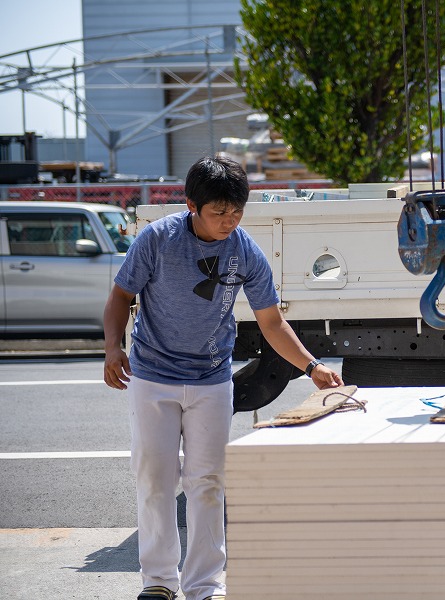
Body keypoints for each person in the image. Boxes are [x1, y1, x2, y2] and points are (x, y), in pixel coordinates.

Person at [103, 156, 343, 600]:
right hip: (152, 374)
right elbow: (121, 295)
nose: (229, 221)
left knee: (207, 481)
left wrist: (312, 366)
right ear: (192, 205)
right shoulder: (157, 239)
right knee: (154, 477)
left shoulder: (245, 250)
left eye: (237, 212)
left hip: (212, 378)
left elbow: (272, 322)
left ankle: (204, 586)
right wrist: (112, 347)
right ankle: (158, 581)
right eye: (218, 212)